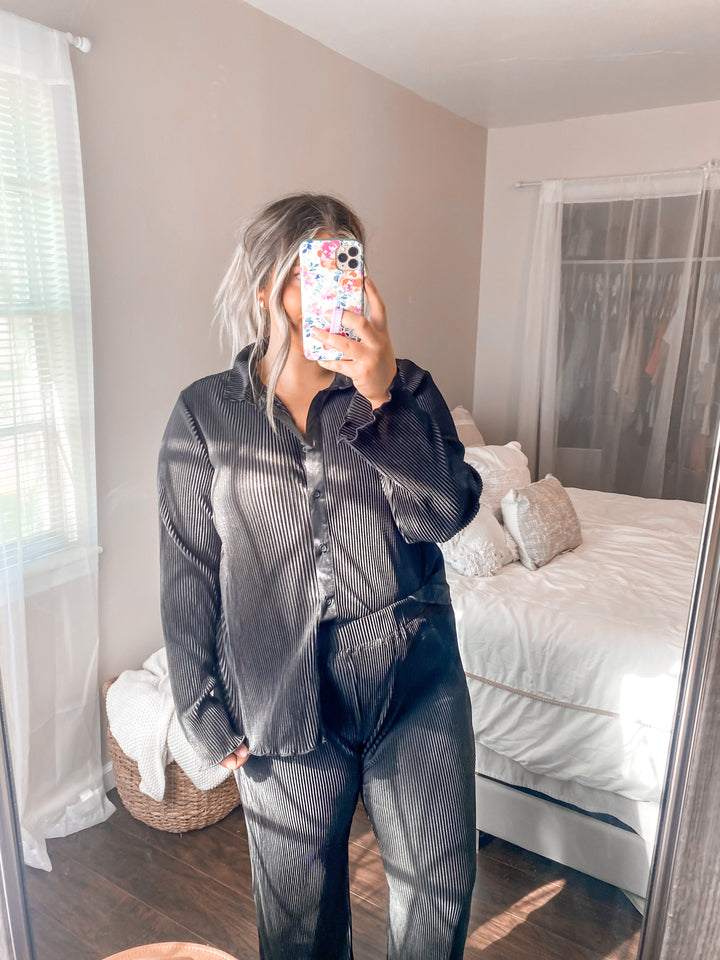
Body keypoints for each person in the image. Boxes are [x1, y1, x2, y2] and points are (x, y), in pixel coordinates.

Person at [157, 193, 482, 960]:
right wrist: (200, 703)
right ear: (264, 287)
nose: (340, 285)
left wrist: (382, 396)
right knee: (300, 922)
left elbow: (444, 515)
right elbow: (188, 568)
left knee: (438, 895)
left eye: (348, 264)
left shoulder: (406, 387)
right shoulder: (205, 414)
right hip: (280, 698)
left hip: (414, 678)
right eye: (315, 268)